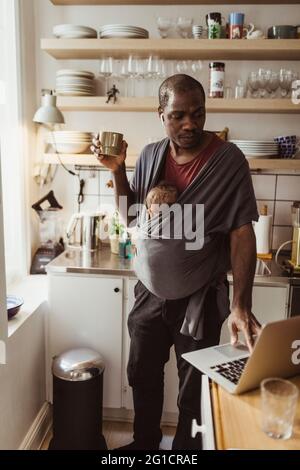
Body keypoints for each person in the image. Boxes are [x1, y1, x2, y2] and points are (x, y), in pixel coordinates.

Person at [91, 74, 261, 450]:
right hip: (149, 294)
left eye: (198, 114)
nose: (190, 124)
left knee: (193, 386)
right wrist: (118, 170)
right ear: (160, 114)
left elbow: (241, 232)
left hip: (199, 297)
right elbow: (133, 217)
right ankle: (145, 445)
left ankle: (187, 451)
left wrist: (240, 305)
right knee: (142, 375)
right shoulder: (151, 154)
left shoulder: (227, 161)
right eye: (178, 115)